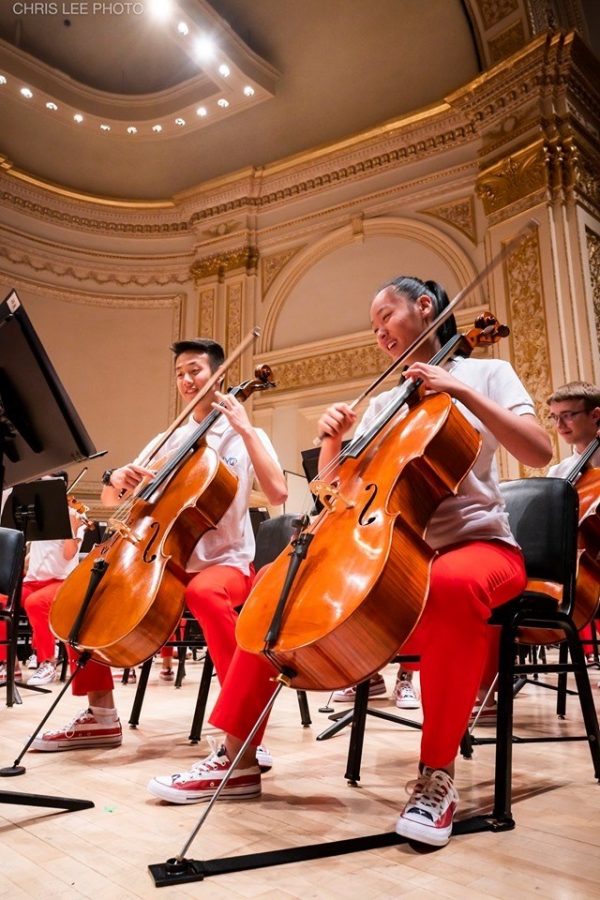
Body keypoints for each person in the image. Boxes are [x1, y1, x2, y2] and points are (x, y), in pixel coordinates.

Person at [147, 276, 552, 851]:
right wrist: (335, 442)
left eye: (385, 315)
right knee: (276, 583)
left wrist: (458, 392)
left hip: (479, 547)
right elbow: (339, 489)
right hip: (395, 548)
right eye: (373, 325)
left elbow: (538, 449)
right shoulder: (387, 401)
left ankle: (436, 776)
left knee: (449, 585)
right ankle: (234, 755)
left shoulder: (486, 373)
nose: (379, 332)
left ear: (425, 307)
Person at [31, 338, 287, 752]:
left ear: (218, 375)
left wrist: (244, 428)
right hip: (164, 561)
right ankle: (100, 715)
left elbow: (277, 493)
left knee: (204, 592)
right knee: (85, 593)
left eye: (195, 371)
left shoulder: (246, 434)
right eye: (180, 374)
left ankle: (242, 727)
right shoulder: (169, 438)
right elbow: (115, 502)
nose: (186, 380)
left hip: (225, 563)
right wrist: (117, 480)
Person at [473, 379, 600, 717]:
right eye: (554, 417)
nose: (559, 426)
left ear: (596, 416)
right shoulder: (560, 473)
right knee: (488, 591)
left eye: (569, 416)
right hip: (575, 570)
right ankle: (485, 689)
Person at [0, 473, 86, 684]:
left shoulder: (74, 516)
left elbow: (68, 554)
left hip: (60, 582)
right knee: (1, 602)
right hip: (33, 581)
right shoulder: (36, 517)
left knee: (35, 603)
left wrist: (71, 528)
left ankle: (47, 662)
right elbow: (33, 555)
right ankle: (7, 664)